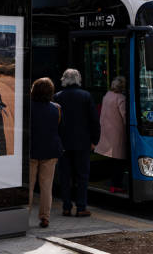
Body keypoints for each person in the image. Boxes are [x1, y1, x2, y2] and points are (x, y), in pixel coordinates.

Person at [54, 69, 100, 217]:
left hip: (63, 143)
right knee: (82, 176)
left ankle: (66, 207)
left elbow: (54, 122)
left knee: (65, 176)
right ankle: (81, 207)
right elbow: (94, 120)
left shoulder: (57, 97)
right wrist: (95, 140)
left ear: (64, 79)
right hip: (82, 143)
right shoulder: (86, 96)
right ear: (78, 79)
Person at [29, 77, 63, 228]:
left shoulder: (27, 107)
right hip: (50, 150)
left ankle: (24, 215)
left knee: (29, 186)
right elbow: (58, 127)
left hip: (31, 150)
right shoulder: (57, 108)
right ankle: (45, 217)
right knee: (46, 186)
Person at [95, 76, 127, 193]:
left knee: (113, 160)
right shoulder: (121, 98)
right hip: (118, 133)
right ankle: (116, 185)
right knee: (119, 161)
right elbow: (125, 117)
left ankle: (113, 183)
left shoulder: (107, 95)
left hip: (107, 131)